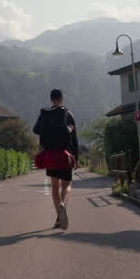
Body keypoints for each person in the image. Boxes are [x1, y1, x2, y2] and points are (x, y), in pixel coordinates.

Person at [33, 88, 79, 230]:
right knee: (67, 186)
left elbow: (35, 129)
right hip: (65, 155)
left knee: (55, 187)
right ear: (61, 98)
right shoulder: (68, 114)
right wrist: (76, 158)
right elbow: (74, 138)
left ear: (51, 99)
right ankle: (63, 205)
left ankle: (59, 218)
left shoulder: (44, 114)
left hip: (50, 155)